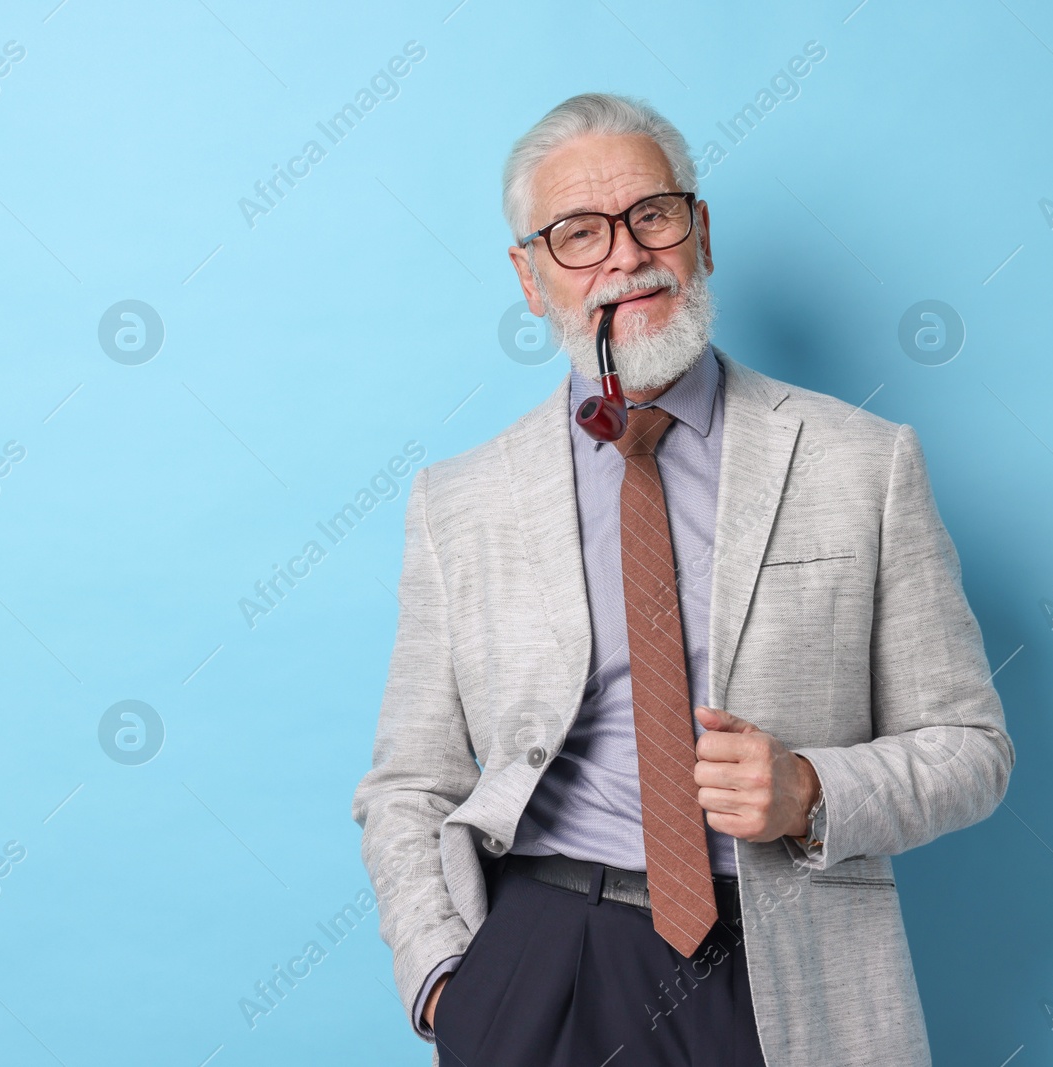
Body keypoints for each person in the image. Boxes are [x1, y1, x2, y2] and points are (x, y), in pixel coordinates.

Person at [351, 92, 1014, 1067]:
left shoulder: (861, 463)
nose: (623, 254)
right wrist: (449, 979)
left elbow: (972, 748)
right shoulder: (461, 501)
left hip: (789, 963)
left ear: (697, 233)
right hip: (540, 958)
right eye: (577, 233)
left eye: (650, 214)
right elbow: (408, 782)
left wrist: (809, 788)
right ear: (530, 278)